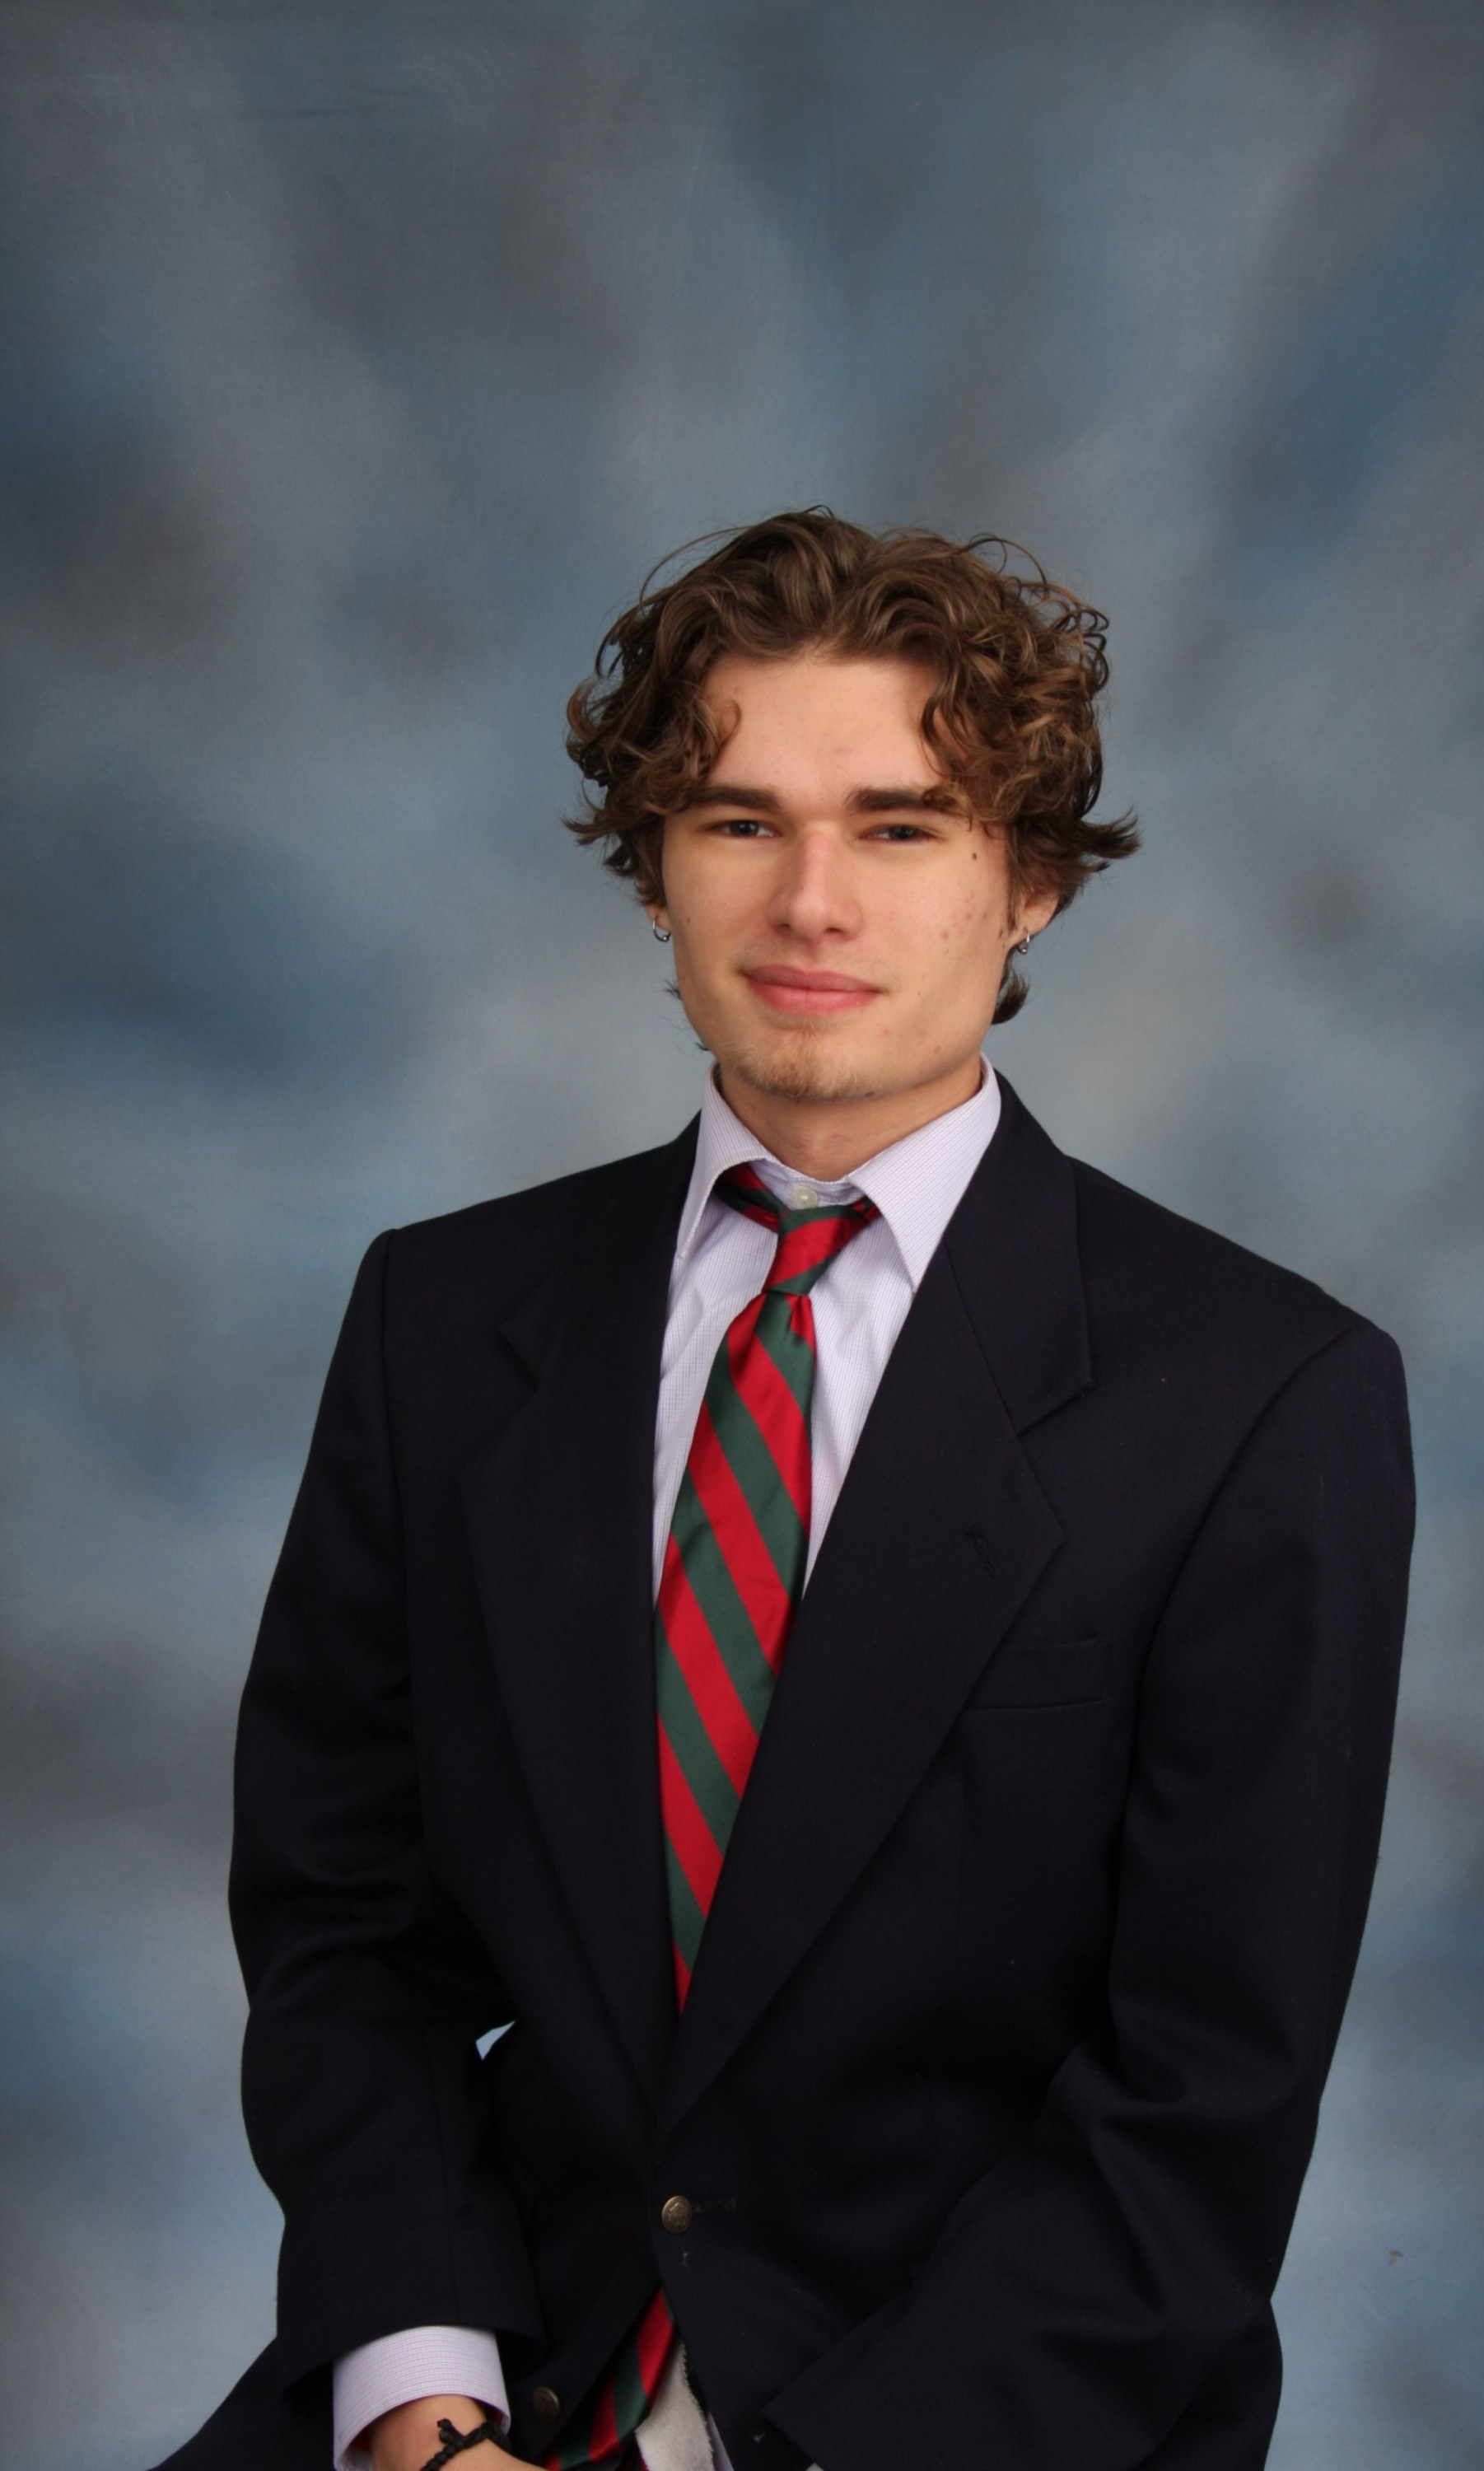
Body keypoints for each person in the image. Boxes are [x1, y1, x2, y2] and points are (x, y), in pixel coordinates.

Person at [158, 511, 1413, 2471]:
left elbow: (1197, 2108)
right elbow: (342, 1932)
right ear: (654, 869)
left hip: (968, 2419)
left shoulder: (1265, 1400)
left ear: (1032, 885)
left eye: (900, 827)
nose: (809, 901)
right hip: (496, 2373)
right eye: (739, 820)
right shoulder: (445, 1323)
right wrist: (420, 2402)